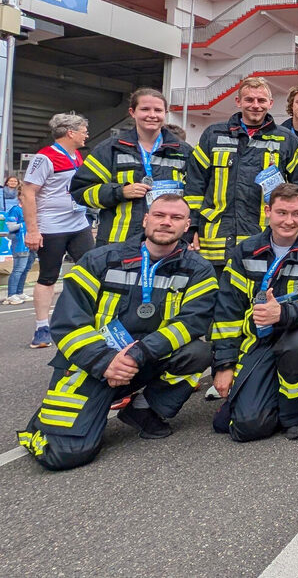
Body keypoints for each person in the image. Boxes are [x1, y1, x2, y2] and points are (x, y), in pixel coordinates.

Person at [17, 194, 217, 471]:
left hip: (145, 359)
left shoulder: (199, 270)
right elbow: (67, 322)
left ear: (187, 226)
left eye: (176, 218)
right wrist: (105, 362)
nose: (166, 223)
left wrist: (135, 356)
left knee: (199, 351)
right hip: (92, 364)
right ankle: (51, 421)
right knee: (64, 455)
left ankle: (143, 410)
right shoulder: (100, 259)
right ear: (146, 219)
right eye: (159, 215)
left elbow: (192, 322)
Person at [209, 183, 298, 441]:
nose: (289, 221)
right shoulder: (245, 251)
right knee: (246, 428)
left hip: (295, 334)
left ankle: (294, 416)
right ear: (267, 211)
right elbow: (228, 311)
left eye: (297, 214)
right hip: (256, 339)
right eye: (282, 213)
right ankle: (254, 398)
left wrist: (283, 314)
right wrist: (224, 363)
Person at [184, 76, 298, 269]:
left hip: (265, 238)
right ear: (238, 102)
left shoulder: (287, 140)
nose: (255, 105)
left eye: (261, 100)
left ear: (270, 103)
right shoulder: (214, 135)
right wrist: (192, 227)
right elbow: (194, 186)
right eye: (249, 99)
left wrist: (292, 226)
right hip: (214, 241)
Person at [71, 89, 192, 247]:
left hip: (167, 243)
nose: (152, 115)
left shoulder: (183, 152)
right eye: (145, 109)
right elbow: (81, 191)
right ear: (132, 112)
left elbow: (196, 195)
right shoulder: (110, 149)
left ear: (165, 113)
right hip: (118, 243)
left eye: (158, 110)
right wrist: (120, 192)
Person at [21, 113, 94, 349]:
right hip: (51, 226)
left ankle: (84, 320)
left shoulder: (78, 155)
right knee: (48, 276)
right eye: (83, 130)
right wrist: (33, 231)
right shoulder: (45, 157)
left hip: (78, 223)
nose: (87, 135)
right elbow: (28, 193)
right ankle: (42, 327)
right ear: (70, 132)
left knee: (90, 272)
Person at [3, 175, 32, 305]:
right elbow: (11, 227)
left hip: (31, 243)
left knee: (26, 268)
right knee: (18, 269)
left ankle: (20, 292)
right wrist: (26, 225)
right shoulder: (15, 209)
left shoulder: (31, 209)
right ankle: (11, 294)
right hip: (20, 243)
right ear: (20, 196)